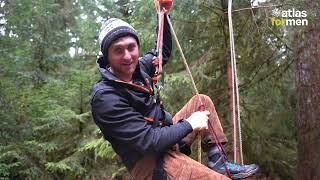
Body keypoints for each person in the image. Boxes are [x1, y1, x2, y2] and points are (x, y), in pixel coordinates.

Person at [91, 2, 259, 179]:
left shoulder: (139, 68)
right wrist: (190, 124)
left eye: (131, 47)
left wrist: (163, 15)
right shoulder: (105, 98)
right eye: (118, 50)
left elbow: (162, 51)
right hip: (150, 162)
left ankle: (219, 163)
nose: (127, 56)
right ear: (107, 56)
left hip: (166, 137)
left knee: (201, 102)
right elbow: (148, 141)